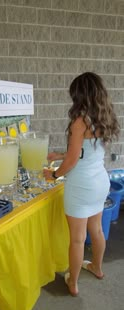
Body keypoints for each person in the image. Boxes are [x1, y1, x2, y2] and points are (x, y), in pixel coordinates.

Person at [43, 72, 120, 297]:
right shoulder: (103, 117)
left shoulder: (79, 121)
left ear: (81, 95)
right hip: (100, 181)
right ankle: (97, 267)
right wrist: (59, 153)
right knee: (96, 229)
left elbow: (73, 160)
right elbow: (86, 152)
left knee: (77, 238)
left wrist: (55, 174)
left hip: (81, 186)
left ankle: (73, 283)